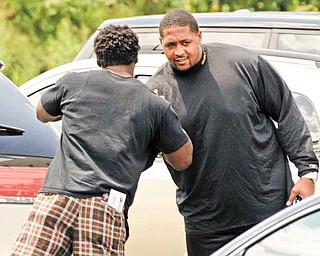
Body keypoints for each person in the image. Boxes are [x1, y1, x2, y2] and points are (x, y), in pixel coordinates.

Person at [146, 8, 319, 256]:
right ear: (162, 44)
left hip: (266, 213)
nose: (179, 51)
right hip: (205, 221)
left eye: (186, 42)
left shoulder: (243, 64)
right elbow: (139, 149)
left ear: (199, 36)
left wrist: (307, 173)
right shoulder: (157, 91)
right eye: (170, 45)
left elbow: (286, 112)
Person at [11, 24, 193, 256]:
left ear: (98, 58)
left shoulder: (73, 83)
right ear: (134, 58)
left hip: (56, 199)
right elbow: (183, 159)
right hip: (104, 208)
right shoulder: (154, 105)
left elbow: (42, 113)